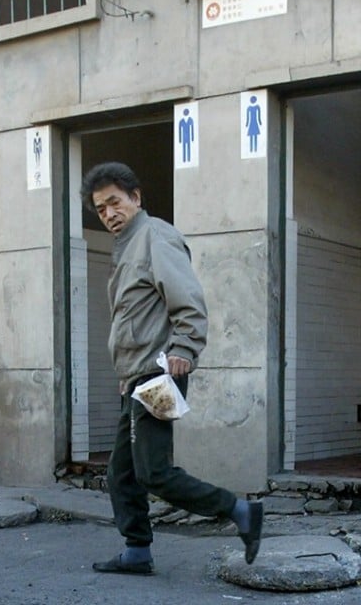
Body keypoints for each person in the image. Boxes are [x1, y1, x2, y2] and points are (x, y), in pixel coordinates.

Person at [81, 161, 263, 576]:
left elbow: (188, 299)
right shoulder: (128, 244)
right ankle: (137, 551)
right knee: (121, 472)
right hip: (136, 377)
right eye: (101, 208)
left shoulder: (155, 237)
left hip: (159, 371)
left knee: (153, 472)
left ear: (136, 197)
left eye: (115, 202)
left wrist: (185, 346)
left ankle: (240, 511)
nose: (109, 213)